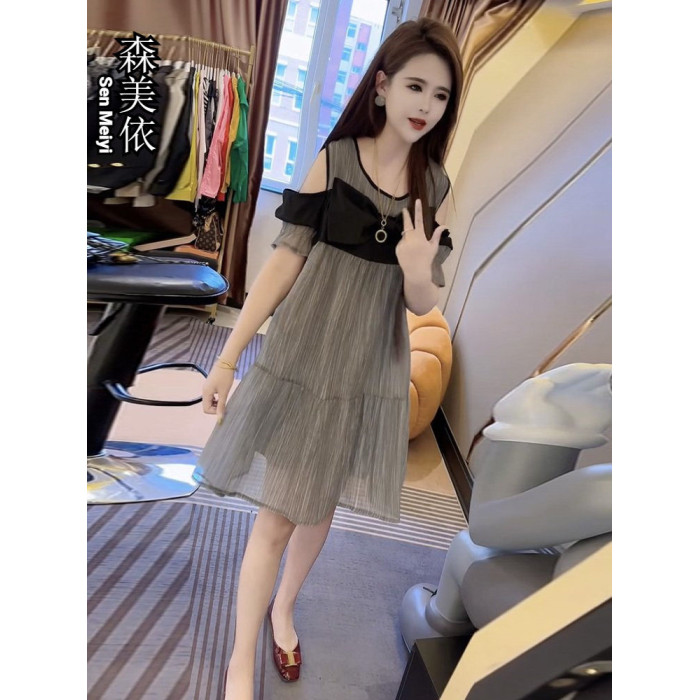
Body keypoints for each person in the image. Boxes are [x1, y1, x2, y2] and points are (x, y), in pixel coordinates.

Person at [195, 17, 464, 700]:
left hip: (370, 368)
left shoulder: (434, 185)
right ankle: (239, 658)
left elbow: (421, 299)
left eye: (440, 94)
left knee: (320, 508)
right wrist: (228, 358)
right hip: (306, 355)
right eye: (414, 86)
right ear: (382, 86)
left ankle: (284, 609)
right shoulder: (337, 158)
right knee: (279, 512)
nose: (425, 104)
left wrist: (416, 267)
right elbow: (284, 263)